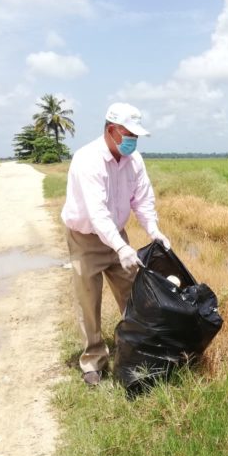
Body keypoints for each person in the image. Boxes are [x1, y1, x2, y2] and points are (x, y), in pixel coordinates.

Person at [61, 102, 171, 386]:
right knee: (89, 300)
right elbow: (97, 213)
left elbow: (142, 200)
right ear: (111, 130)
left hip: (116, 234)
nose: (133, 140)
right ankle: (93, 360)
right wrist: (121, 248)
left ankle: (136, 350)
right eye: (128, 134)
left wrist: (154, 230)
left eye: (136, 135)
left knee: (133, 294)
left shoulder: (135, 161)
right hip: (85, 238)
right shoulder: (87, 160)